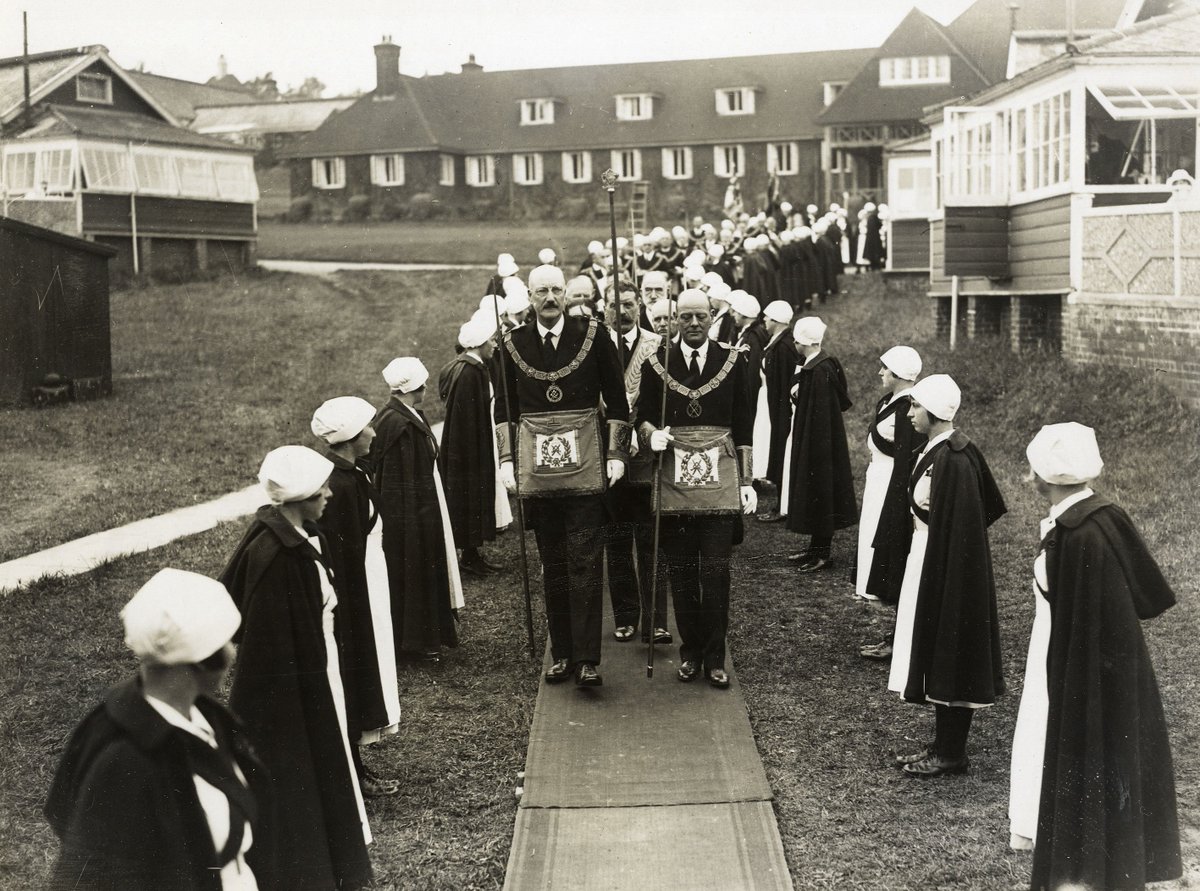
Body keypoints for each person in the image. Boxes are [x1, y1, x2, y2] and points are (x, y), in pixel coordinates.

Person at [1014, 423, 1181, 891]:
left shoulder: (1078, 534)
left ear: (1043, 476)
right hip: (1102, 663)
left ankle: (1083, 871)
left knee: (1085, 759)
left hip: (1082, 667)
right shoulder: (1104, 516)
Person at [45, 568, 266, 891]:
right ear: (202, 659)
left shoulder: (207, 718)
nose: (233, 653)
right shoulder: (124, 762)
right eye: (227, 643)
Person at [221, 445, 373, 890]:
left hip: (318, 659)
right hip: (300, 679)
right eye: (320, 488)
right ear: (299, 496)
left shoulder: (294, 537)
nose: (329, 493)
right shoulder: (280, 558)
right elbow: (268, 651)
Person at [494, 264, 631, 687]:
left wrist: (616, 453)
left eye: (557, 290)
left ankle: (588, 659)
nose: (550, 298)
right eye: (542, 291)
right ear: (529, 297)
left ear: (567, 293)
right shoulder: (511, 343)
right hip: (538, 475)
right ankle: (563, 654)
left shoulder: (593, 336)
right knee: (553, 562)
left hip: (588, 470)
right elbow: (504, 408)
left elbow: (617, 399)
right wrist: (506, 460)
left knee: (586, 561)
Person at [888, 376, 1006, 778]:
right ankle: (943, 743)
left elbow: (973, 515)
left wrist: (950, 560)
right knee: (935, 642)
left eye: (915, 406)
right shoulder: (940, 449)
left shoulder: (954, 458)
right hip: (931, 552)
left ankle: (952, 752)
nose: (909, 413)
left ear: (936, 412)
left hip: (948, 561)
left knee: (950, 645)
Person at [638, 289, 757, 688]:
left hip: (721, 485)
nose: (693, 324)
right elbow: (642, 416)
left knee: (716, 573)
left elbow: (744, 423)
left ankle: (715, 658)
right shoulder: (657, 364)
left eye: (700, 317)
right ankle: (690, 653)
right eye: (685, 317)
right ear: (675, 320)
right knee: (683, 574)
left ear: (711, 318)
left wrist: (747, 481)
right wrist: (650, 434)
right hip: (675, 488)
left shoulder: (733, 361)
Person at [310, 398, 403, 799]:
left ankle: (356, 762)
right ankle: (352, 767)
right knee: (351, 671)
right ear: (349, 437)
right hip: (355, 588)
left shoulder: (354, 474)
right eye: (368, 427)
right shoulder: (340, 485)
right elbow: (341, 553)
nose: (374, 432)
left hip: (369, 578)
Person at [371, 358, 464, 660]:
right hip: (412, 514)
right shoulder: (399, 425)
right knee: (414, 569)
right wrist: (415, 521)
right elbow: (398, 483)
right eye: (422, 383)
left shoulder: (408, 415)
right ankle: (415, 641)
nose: (426, 388)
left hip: (423, 505)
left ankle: (424, 636)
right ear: (413, 388)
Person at [605, 281, 670, 644]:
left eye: (629, 304)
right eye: (615, 305)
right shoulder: (595, 346)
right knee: (616, 542)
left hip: (647, 456)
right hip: (608, 456)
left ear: (639, 307)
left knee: (651, 542)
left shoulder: (656, 345)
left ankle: (655, 620)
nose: (623, 312)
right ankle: (625, 615)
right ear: (605, 309)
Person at [858, 348, 926, 661]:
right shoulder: (890, 402)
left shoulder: (908, 407)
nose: (880, 373)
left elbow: (907, 456)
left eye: (884, 369)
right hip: (879, 479)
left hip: (893, 484)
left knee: (893, 551)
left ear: (897, 374)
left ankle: (898, 633)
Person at [780, 317, 856, 572]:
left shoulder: (820, 370)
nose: (794, 344)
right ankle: (815, 548)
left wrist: (815, 448)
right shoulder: (817, 366)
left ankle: (822, 553)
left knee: (822, 491)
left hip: (820, 444)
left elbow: (822, 415)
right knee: (816, 493)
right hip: (815, 439)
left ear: (804, 342)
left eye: (797, 340)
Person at [439, 312, 505, 577]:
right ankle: (469, 555)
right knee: (470, 498)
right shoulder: (470, 373)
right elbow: (467, 419)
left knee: (471, 498)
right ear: (479, 343)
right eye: (492, 340)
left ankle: (472, 552)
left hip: (469, 445)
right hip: (468, 449)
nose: (495, 345)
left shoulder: (464, 366)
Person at [755, 300, 796, 522]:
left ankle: (783, 505)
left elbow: (784, 382)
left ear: (777, 321)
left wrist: (781, 412)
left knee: (780, 451)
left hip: (780, 408)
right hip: (771, 403)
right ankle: (781, 503)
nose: (764, 320)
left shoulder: (784, 347)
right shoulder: (777, 342)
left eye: (768, 317)